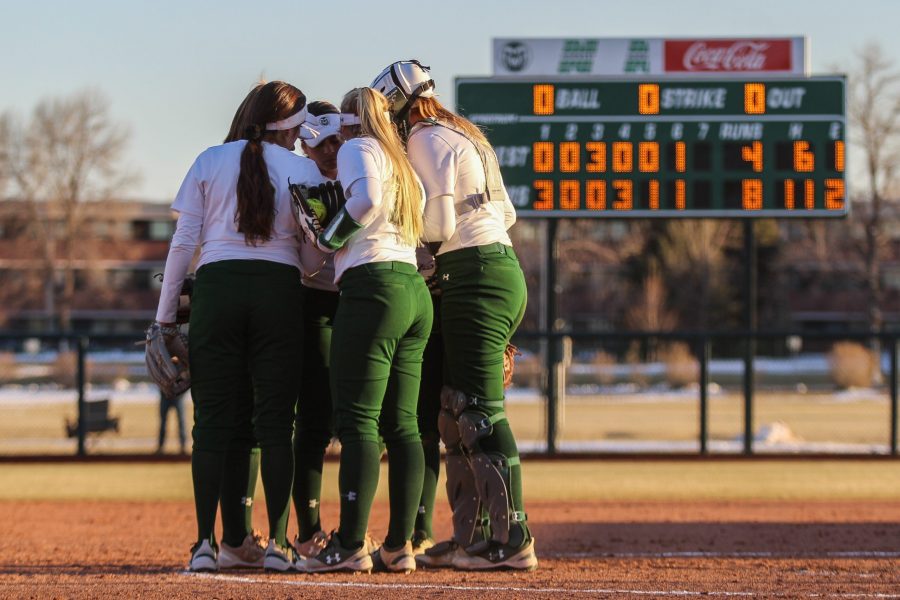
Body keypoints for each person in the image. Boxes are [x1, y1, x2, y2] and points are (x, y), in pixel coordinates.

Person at [371, 60, 537, 571]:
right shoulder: (462, 134)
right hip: (492, 266)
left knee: (479, 410)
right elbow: (504, 214)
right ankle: (475, 538)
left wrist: (409, 248)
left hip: (474, 274)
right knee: (455, 410)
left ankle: (514, 540)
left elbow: (439, 222)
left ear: (397, 107)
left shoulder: (423, 139)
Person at [154, 80, 319, 573]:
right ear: (287, 128)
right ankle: (279, 546)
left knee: (211, 427)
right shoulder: (302, 167)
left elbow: (183, 246)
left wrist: (163, 318)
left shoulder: (209, 160)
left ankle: (205, 545)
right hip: (278, 292)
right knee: (275, 425)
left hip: (217, 290)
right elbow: (312, 258)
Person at [296, 87, 431, 574]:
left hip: (373, 286)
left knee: (358, 423)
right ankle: (400, 545)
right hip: (413, 289)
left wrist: (327, 236)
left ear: (351, 119)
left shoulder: (358, 146)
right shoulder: (403, 161)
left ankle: (350, 542)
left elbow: (367, 200)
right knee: (405, 426)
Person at [291, 100, 342, 559]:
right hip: (314, 303)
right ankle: (309, 532)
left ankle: (364, 532)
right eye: (320, 141)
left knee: (371, 423)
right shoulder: (296, 180)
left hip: (360, 298)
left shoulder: (364, 173)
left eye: (336, 139)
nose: (330, 149)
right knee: (312, 422)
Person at [156, 388, 187, 455]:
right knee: (163, 423)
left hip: (177, 397)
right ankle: (160, 447)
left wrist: (181, 394)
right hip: (166, 396)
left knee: (181, 422)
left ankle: (183, 447)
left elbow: (186, 381)